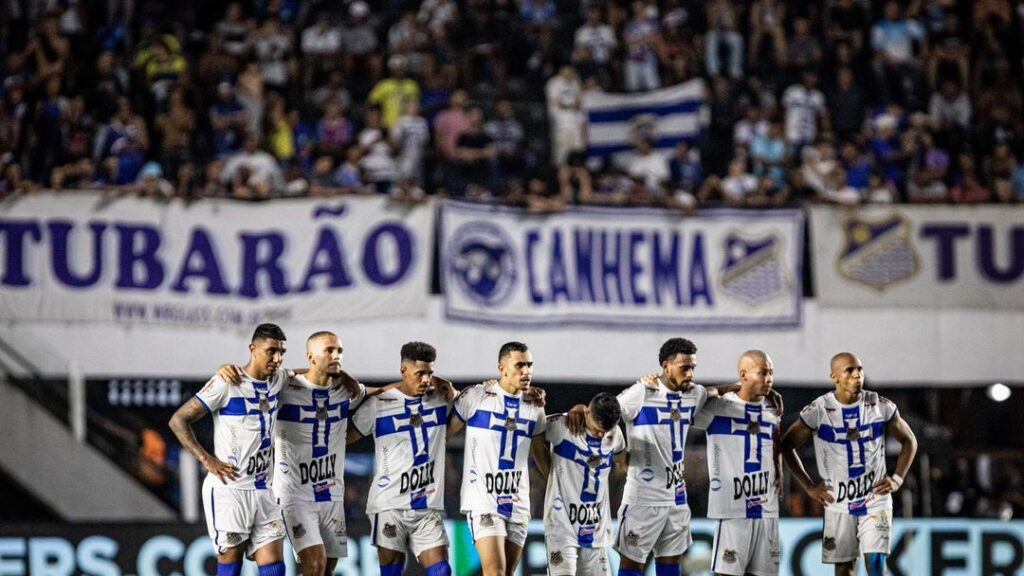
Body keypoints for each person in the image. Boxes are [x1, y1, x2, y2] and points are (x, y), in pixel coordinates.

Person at [215, 331, 366, 576]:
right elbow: (258, 377)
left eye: (339, 351)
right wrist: (226, 370)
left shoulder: (343, 389)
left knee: (325, 569)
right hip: (292, 494)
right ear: (311, 357)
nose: (336, 355)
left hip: (331, 494)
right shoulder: (284, 387)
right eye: (329, 350)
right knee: (314, 565)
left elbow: (380, 393)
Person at [167, 323, 289, 576]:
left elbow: (311, 375)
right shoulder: (226, 382)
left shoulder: (279, 379)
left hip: (263, 490)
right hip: (230, 489)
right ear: (252, 349)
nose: (277, 358)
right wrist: (206, 459)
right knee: (231, 566)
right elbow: (178, 420)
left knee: (275, 568)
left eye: (281, 352)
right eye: (271, 351)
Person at [782, 353, 918, 576]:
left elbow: (909, 440)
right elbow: (786, 446)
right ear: (834, 376)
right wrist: (809, 487)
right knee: (844, 568)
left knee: (876, 564)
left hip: (875, 500)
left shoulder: (879, 405)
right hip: (839, 501)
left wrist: (897, 478)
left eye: (860, 369)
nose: (857, 374)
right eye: (850, 370)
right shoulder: (819, 409)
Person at [350, 342, 456, 576]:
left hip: (427, 506)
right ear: (403, 371)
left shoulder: (441, 397)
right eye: (420, 373)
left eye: (430, 372)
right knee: (392, 572)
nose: (427, 379)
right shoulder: (379, 404)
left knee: (441, 570)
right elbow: (346, 437)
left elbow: (474, 401)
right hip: (388, 505)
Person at [447, 341, 547, 576]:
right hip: (483, 502)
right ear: (502, 367)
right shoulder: (476, 396)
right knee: (496, 572)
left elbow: (540, 453)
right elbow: (444, 434)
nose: (527, 371)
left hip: (518, 502)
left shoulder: (535, 405)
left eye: (529, 365)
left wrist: (559, 486)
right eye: (519, 365)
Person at [692, 350, 783, 576]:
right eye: (762, 373)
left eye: (771, 373)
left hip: (766, 508)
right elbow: (690, 400)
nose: (769, 379)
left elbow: (775, 441)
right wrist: (727, 387)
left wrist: (778, 470)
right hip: (732, 508)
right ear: (743, 374)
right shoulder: (718, 407)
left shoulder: (772, 408)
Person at [531, 392, 627, 575]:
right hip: (561, 525)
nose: (601, 434)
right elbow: (535, 439)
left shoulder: (614, 434)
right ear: (588, 413)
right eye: (598, 429)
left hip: (596, 529)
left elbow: (622, 460)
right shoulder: (564, 425)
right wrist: (552, 475)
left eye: (605, 431)